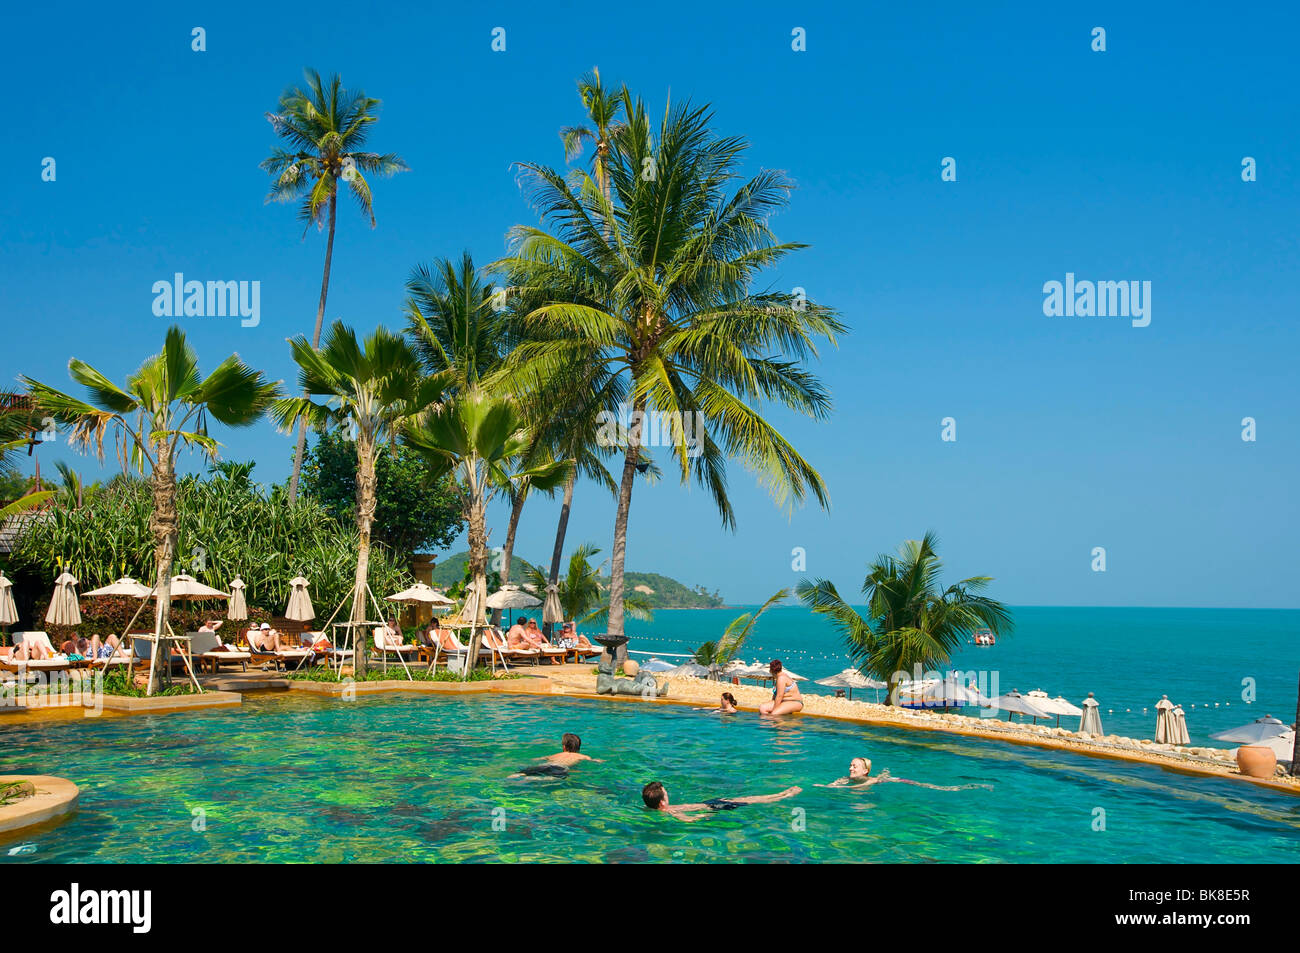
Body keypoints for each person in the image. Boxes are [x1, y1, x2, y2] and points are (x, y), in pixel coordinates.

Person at [641, 782, 801, 823]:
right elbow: (688, 819)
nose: (668, 795)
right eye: (666, 794)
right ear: (662, 802)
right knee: (751, 800)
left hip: (710, 803)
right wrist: (707, 815)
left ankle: (781, 794)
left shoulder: (656, 807)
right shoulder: (670, 811)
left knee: (749, 799)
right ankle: (784, 796)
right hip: (715, 807)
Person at [818, 757, 992, 792]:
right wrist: (825, 787)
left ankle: (977, 785)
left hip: (890, 781)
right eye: (850, 765)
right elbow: (834, 784)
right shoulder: (846, 778)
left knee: (937, 788)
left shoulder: (867, 779)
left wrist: (848, 789)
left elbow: (862, 786)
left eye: (854, 766)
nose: (850, 768)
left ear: (865, 771)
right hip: (878, 779)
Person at [510, 733, 602, 779]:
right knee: (548, 778)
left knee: (523, 772)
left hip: (545, 765)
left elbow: (542, 758)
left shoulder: (557, 755)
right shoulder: (581, 756)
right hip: (560, 768)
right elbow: (593, 760)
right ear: (578, 747)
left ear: (564, 747)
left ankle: (514, 776)